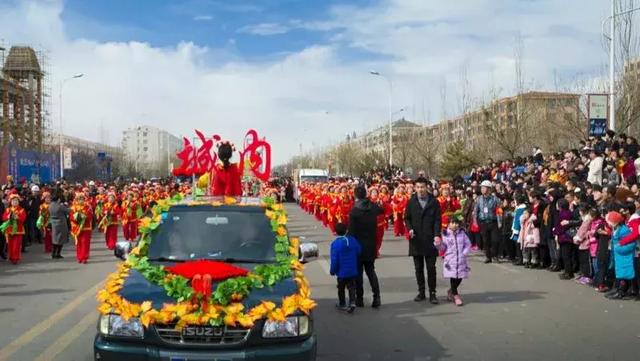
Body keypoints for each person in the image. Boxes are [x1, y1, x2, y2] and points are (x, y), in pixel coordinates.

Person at [404, 177, 442, 304]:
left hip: (430, 239)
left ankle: (432, 293)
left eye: (422, 187)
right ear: (415, 188)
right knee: (418, 268)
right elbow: (407, 218)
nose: (420, 189)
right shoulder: (411, 202)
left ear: (427, 187)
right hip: (416, 240)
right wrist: (409, 229)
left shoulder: (434, 202)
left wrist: (437, 235)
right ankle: (421, 292)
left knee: (431, 268)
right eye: (418, 187)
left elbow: (437, 220)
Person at [348, 185, 383, 308]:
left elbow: (351, 232)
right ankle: (377, 297)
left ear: (355, 195)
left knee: (358, 274)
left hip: (358, 246)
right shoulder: (373, 207)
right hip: (371, 244)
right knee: (371, 271)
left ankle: (360, 299)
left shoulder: (354, 211)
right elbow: (382, 210)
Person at [438, 216, 471, 306]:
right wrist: (438, 244)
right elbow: (443, 248)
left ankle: (451, 291)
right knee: (453, 278)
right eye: (453, 223)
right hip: (450, 260)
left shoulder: (462, 233)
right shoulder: (445, 234)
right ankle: (456, 296)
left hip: (461, 259)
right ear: (448, 224)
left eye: (457, 223)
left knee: (460, 277)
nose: (455, 225)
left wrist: (464, 253)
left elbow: (468, 244)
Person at [330, 222, 362, 313]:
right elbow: (359, 251)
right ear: (346, 230)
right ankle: (352, 302)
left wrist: (333, 271)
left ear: (336, 232)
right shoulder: (352, 240)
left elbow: (334, 259)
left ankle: (342, 303)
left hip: (341, 272)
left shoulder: (335, 244)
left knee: (341, 288)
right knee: (352, 287)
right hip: (352, 270)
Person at [605, 211, 635, 299]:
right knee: (620, 273)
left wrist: (618, 249)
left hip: (624, 255)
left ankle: (621, 291)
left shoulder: (624, 230)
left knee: (624, 274)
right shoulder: (617, 228)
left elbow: (631, 244)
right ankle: (618, 289)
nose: (609, 224)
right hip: (619, 255)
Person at [473, 180, 502, 264]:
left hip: (493, 222)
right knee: (486, 241)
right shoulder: (478, 199)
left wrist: (500, 221)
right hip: (483, 222)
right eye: (481, 187)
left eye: (484, 187)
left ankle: (495, 256)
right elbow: (475, 211)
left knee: (495, 240)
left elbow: (499, 210)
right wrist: (475, 222)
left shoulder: (495, 199)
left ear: (489, 189)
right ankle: (488, 257)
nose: (482, 189)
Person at [1, 194, 27, 264]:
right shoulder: (8, 209)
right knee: (10, 245)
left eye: (16, 201)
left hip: (18, 230)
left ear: (18, 202)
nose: (15, 202)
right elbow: (3, 218)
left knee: (16, 245)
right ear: (10, 202)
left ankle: (15, 258)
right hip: (9, 230)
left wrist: (18, 217)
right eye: (13, 201)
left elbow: (23, 218)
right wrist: (8, 217)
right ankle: (11, 257)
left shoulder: (21, 210)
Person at [70, 192, 94, 264]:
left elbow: (90, 216)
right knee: (79, 243)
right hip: (77, 228)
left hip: (86, 228)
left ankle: (84, 257)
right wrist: (76, 218)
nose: (81, 201)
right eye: (79, 199)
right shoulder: (73, 207)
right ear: (76, 200)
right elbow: (71, 217)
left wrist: (85, 217)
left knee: (85, 243)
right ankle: (79, 257)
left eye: (82, 199)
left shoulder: (88, 207)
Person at [49, 190, 69, 259]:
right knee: (60, 240)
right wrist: (66, 205)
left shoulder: (50, 205)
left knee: (55, 240)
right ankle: (58, 253)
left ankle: (53, 253)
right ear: (58, 199)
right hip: (61, 224)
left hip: (53, 223)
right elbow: (68, 211)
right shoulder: (60, 206)